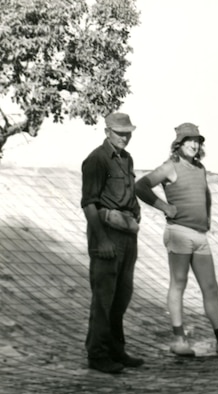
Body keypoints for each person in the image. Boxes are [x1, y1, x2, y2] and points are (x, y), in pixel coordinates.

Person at [135, 123, 218, 357]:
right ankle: (179, 340)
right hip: (178, 233)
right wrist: (163, 206)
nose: (194, 145)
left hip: (199, 235)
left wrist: (207, 218)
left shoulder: (200, 169)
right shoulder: (170, 167)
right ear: (178, 144)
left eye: (197, 141)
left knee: (210, 287)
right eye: (189, 140)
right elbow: (141, 186)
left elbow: (205, 194)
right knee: (179, 283)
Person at [80, 112, 147, 374]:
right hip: (107, 233)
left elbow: (129, 193)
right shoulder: (96, 159)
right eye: (120, 132)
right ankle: (97, 355)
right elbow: (89, 204)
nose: (125, 137)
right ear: (107, 131)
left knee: (122, 296)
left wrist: (136, 211)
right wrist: (102, 239)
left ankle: (116, 349)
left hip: (127, 234)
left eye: (128, 132)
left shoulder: (126, 159)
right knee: (104, 298)